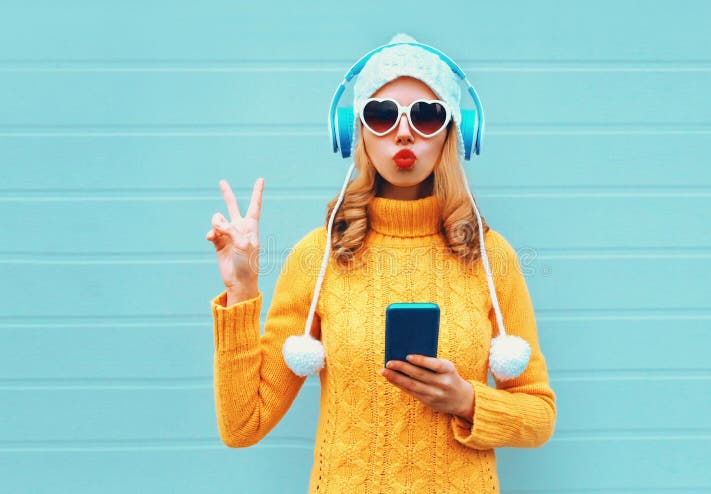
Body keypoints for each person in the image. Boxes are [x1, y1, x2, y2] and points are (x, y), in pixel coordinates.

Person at [205, 33, 557, 493]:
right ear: (357, 132)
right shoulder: (320, 255)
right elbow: (243, 424)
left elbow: (539, 415)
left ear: (454, 132)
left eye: (427, 115)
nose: (404, 132)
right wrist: (242, 290)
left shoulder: (490, 257)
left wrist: (468, 401)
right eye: (382, 114)